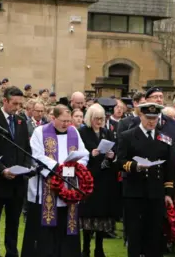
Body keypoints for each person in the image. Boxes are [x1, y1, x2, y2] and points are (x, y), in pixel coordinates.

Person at [21, 104, 89, 257]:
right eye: (63, 121)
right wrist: (58, 168)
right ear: (53, 118)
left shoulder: (74, 132)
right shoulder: (40, 132)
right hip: (46, 187)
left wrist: (76, 167)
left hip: (69, 186)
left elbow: (84, 153)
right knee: (44, 233)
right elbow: (37, 155)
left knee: (66, 228)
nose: (66, 124)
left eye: (68, 121)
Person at [116, 102, 175, 257]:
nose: (151, 121)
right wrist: (135, 166)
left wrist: (168, 192)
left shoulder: (164, 138)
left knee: (154, 234)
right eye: (148, 117)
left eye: (155, 118)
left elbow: (169, 167)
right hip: (135, 191)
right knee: (135, 233)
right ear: (140, 115)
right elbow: (120, 161)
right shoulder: (127, 136)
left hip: (155, 192)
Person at [0, 86, 32, 257]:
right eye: (14, 103)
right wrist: (2, 170)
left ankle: (12, 252)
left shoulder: (21, 121)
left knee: (13, 222)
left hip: (17, 182)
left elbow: (26, 149)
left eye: (20, 104)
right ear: (4, 101)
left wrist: (24, 168)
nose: (17, 107)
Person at [78, 104, 117, 257]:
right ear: (90, 118)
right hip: (89, 177)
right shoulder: (82, 132)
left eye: (102, 119)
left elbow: (114, 151)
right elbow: (78, 153)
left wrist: (112, 156)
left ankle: (99, 248)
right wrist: (90, 153)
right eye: (96, 119)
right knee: (89, 215)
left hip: (104, 179)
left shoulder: (107, 132)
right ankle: (86, 248)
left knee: (102, 216)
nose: (99, 122)